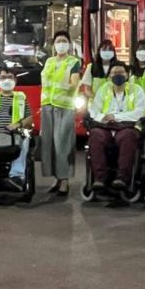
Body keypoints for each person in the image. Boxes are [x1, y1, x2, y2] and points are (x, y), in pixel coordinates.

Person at [87, 61, 145, 192]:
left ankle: (122, 177)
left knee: (128, 136)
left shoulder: (136, 90)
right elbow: (94, 111)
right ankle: (99, 178)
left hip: (127, 127)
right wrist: (103, 117)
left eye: (121, 73)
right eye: (114, 73)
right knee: (95, 135)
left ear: (127, 75)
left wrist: (117, 117)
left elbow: (140, 111)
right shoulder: (103, 90)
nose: (118, 75)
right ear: (109, 76)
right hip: (105, 127)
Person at [40, 31, 82, 197]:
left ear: (69, 44)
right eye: (58, 41)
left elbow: (75, 82)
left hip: (64, 107)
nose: (61, 44)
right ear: (53, 45)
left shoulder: (73, 62)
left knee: (62, 144)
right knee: (48, 144)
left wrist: (68, 86)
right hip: (47, 107)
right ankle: (57, 179)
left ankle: (64, 181)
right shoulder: (49, 61)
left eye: (64, 41)